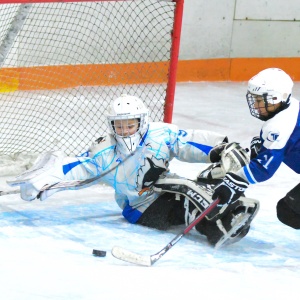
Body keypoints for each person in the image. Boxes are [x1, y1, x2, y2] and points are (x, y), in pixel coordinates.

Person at [8, 94, 258, 247]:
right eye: (120, 126)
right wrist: (42, 182)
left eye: (131, 125)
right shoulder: (104, 152)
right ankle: (217, 227)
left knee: (204, 180)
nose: (126, 131)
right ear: (111, 126)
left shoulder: (161, 134)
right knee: (183, 198)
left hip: (163, 187)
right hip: (140, 209)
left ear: (142, 121)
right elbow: (75, 167)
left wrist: (220, 148)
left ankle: (230, 213)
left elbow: (188, 141)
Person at [212, 68, 300, 230]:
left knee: (290, 212)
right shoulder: (291, 106)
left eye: (260, 100)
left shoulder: (279, 126)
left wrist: (234, 182)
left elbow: (263, 169)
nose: (256, 105)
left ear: (275, 98)